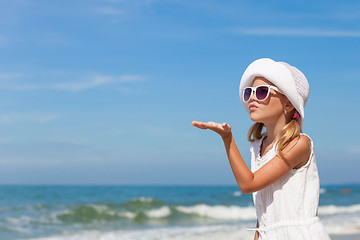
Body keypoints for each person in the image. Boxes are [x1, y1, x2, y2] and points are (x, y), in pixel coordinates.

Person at [192, 58, 331, 240]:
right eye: (249, 92)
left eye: (262, 92)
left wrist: (227, 138)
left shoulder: (299, 144)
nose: (252, 97)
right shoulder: (257, 146)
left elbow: (249, 184)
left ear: (288, 104)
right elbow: (264, 214)